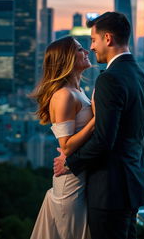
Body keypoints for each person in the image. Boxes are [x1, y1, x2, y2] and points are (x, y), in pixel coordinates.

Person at [54, 12, 144, 239]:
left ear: (107, 39)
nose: (92, 47)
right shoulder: (142, 76)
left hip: (109, 189)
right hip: (132, 182)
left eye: (93, 40)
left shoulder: (110, 78)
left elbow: (103, 139)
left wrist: (70, 162)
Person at [30, 36, 95, 239]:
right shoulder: (64, 95)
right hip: (71, 186)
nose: (86, 51)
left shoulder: (78, 92)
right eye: (79, 49)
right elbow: (66, 147)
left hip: (80, 176)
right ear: (66, 59)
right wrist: (98, 120)